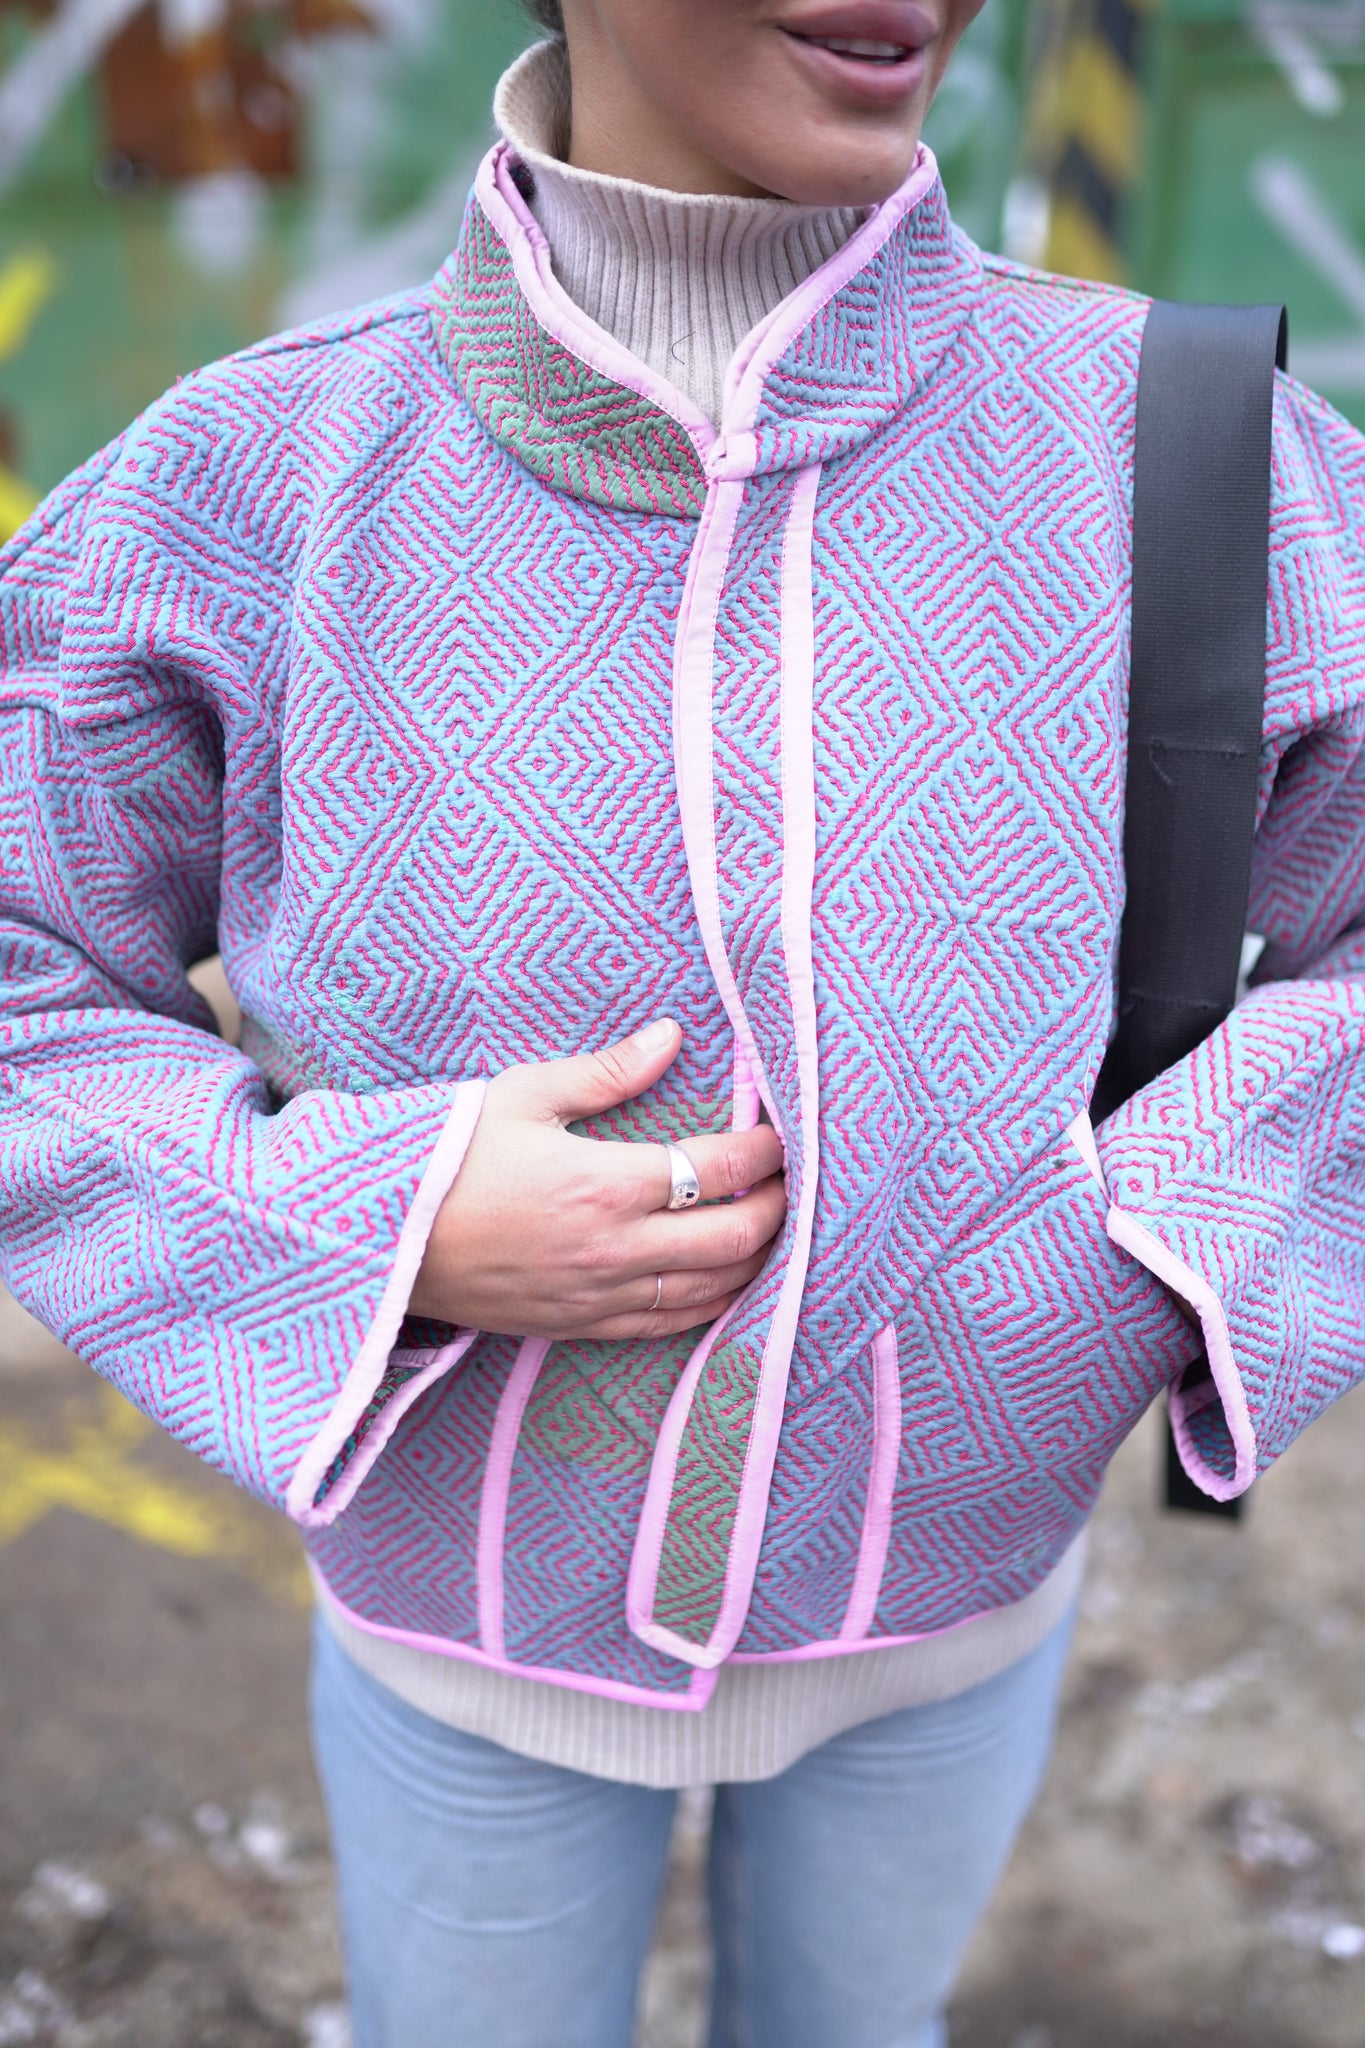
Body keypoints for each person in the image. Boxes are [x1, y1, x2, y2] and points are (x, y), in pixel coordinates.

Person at [3, 0, 1364, 2042]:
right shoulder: (250, 478)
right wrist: (375, 1215)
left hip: (955, 1609)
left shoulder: (1190, 447)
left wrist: (1120, 1258)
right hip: (459, 1634)